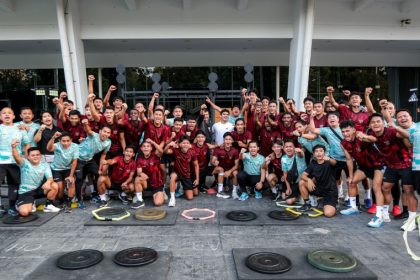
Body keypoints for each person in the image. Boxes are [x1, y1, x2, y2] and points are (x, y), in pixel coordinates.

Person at [367, 113, 417, 231]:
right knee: (385, 187)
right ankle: (384, 214)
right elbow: (370, 138)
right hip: (391, 165)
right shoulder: (372, 133)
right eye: (373, 122)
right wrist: (361, 135)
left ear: (383, 123)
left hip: (406, 164)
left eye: (378, 121)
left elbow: (407, 135)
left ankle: (412, 221)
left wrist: (395, 126)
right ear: (370, 125)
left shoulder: (391, 131)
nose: (376, 124)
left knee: (408, 191)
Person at [339, 121, 383, 227]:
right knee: (352, 182)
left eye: (347, 131)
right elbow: (349, 160)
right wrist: (350, 175)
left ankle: (380, 216)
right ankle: (354, 208)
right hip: (364, 167)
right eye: (343, 131)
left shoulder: (361, 137)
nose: (345, 134)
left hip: (378, 165)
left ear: (354, 130)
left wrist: (365, 136)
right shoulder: (344, 143)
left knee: (377, 188)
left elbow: (374, 139)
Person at [12, 142, 60, 216]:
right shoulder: (24, 163)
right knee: (24, 213)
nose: (35, 157)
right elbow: (17, 157)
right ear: (28, 157)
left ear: (40, 156)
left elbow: (50, 178)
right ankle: (19, 204)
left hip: (38, 189)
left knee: (54, 185)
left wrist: (48, 182)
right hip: (26, 192)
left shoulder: (45, 165)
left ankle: (48, 205)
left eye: (37, 155)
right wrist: (14, 147)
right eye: (33, 155)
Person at [75, 120, 111, 209]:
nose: (105, 134)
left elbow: (103, 155)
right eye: (104, 131)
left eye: (108, 133)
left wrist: (100, 167)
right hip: (79, 159)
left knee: (99, 174)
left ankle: (98, 195)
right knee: (80, 179)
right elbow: (88, 130)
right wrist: (85, 124)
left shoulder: (108, 142)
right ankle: (79, 200)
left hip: (90, 160)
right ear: (100, 131)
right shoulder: (94, 135)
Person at [0, 107, 30, 215]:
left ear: (13, 116)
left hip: (16, 161)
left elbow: (27, 143)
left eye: (9, 113)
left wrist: (26, 156)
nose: (7, 115)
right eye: (4, 113)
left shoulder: (19, 128)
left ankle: (12, 206)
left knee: (15, 184)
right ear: (0, 117)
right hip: (1, 162)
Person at [299, 145, 338, 217]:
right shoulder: (313, 163)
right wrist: (309, 179)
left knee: (328, 214)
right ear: (313, 154)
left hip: (330, 192)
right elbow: (303, 175)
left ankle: (330, 203)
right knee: (302, 182)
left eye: (321, 151)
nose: (319, 153)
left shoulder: (329, 162)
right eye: (316, 151)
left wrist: (329, 159)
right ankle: (307, 204)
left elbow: (334, 162)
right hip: (319, 189)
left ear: (324, 153)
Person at [47, 131, 79, 213]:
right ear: (60, 141)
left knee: (71, 182)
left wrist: (71, 176)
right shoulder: (57, 145)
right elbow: (49, 148)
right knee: (60, 189)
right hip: (56, 169)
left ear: (71, 140)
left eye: (68, 141)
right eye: (63, 141)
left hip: (68, 169)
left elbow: (75, 161)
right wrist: (53, 137)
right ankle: (61, 200)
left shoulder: (75, 146)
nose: (65, 143)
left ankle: (68, 204)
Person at [164, 136, 199, 206]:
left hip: (187, 174)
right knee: (173, 177)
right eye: (183, 143)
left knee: (191, 197)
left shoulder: (192, 152)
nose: (185, 144)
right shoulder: (176, 150)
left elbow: (196, 165)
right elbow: (165, 152)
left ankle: (183, 188)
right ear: (179, 144)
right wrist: (169, 144)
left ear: (190, 145)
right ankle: (172, 199)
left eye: (187, 143)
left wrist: (197, 179)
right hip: (177, 172)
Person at [135, 139, 165, 207]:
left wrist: (153, 142)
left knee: (158, 203)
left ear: (151, 148)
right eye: (144, 146)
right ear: (141, 148)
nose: (146, 148)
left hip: (157, 184)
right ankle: (140, 200)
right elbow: (139, 171)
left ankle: (158, 194)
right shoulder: (139, 158)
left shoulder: (155, 155)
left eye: (148, 146)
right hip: (146, 183)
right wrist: (140, 173)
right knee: (137, 178)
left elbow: (161, 151)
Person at [211, 132, 239, 199]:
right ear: (223, 140)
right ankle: (220, 192)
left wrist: (229, 171)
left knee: (235, 172)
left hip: (229, 171)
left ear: (232, 141)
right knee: (220, 169)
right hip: (219, 170)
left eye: (230, 139)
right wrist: (215, 162)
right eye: (226, 139)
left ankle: (234, 192)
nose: (228, 141)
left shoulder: (235, 151)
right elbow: (212, 161)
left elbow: (236, 165)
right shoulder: (218, 149)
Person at [281, 139, 307, 205]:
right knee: (284, 196)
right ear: (284, 149)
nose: (288, 148)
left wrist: (299, 151)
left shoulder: (298, 155)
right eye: (286, 147)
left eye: (290, 146)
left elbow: (301, 154)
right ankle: (297, 195)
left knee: (289, 201)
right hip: (292, 180)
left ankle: (302, 195)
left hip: (302, 180)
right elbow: (285, 174)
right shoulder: (283, 158)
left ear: (294, 148)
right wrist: (288, 188)